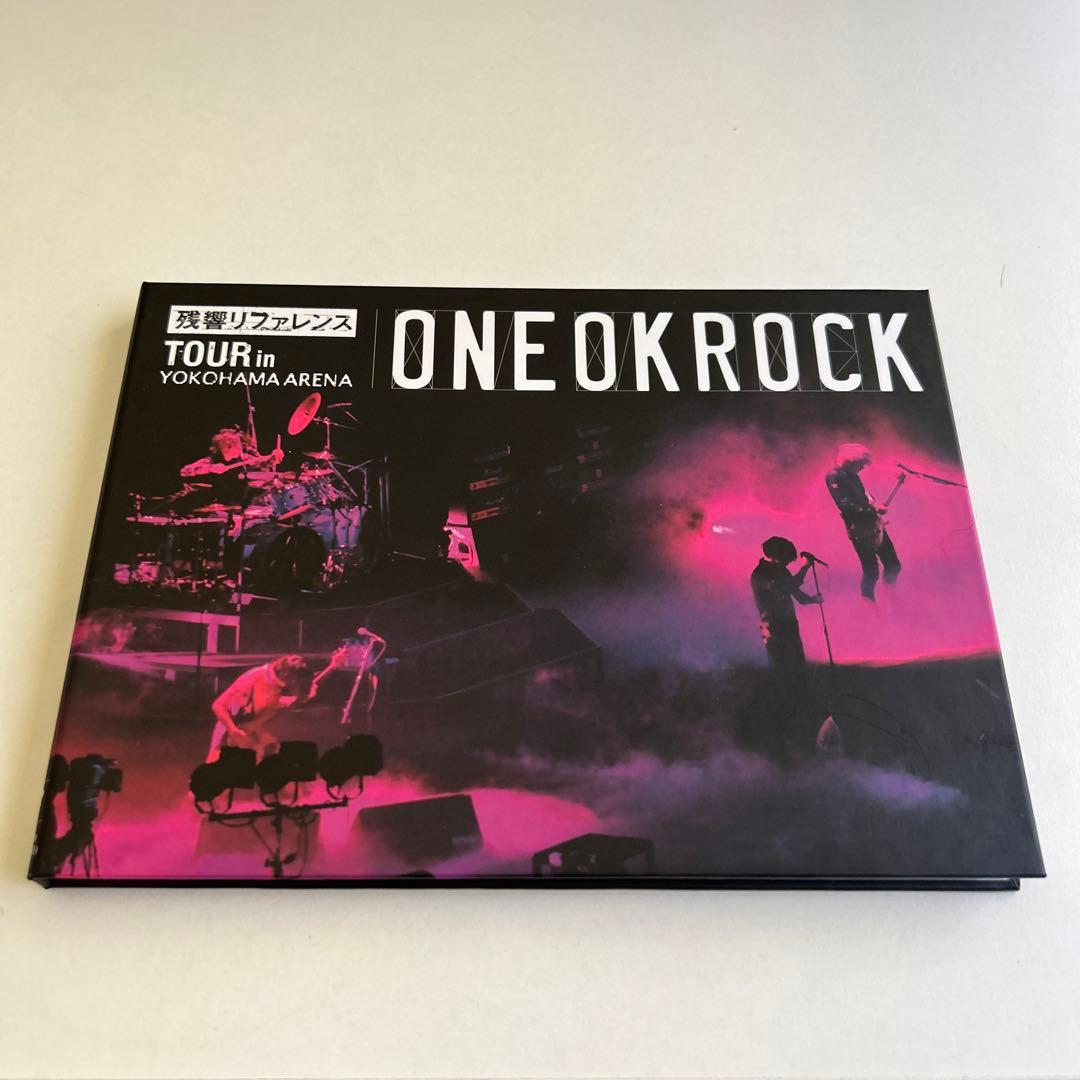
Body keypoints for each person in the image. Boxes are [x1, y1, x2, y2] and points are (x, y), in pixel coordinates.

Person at [206, 650, 345, 763]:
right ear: (287, 677)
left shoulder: (288, 683)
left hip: (258, 733)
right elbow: (218, 705)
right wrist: (233, 730)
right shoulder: (255, 677)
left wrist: (332, 666)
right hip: (234, 731)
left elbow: (309, 685)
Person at [825, 443, 901, 600]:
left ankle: (890, 597)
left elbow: (865, 496)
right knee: (871, 570)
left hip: (874, 524)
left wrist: (875, 506)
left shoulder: (852, 475)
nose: (863, 468)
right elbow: (844, 504)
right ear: (850, 461)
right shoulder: (834, 476)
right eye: (861, 464)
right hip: (859, 529)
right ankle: (868, 604)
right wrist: (871, 510)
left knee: (893, 564)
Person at [750, 536, 822, 672]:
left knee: (797, 664)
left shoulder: (781, 570)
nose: (788, 563)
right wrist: (805, 568)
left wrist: (812, 599)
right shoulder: (759, 574)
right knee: (781, 667)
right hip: (773, 628)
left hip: (789, 624)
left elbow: (799, 596)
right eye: (786, 559)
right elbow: (785, 587)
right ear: (775, 555)